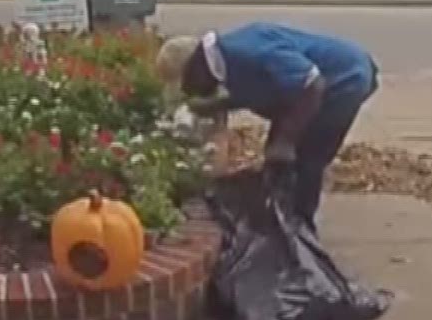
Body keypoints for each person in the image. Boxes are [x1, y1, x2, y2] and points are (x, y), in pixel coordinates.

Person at [156, 22, 379, 229]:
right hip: (304, 95)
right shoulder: (228, 62)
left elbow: (312, 84)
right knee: (279, 164)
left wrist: (286, 141)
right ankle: (281, 220)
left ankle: (300, 232)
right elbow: (261, 92)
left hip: (344, 79)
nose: (191, 92)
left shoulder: (246, 54)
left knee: (307, 158)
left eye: (189, 85)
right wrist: (215, 105)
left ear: (196, 68)